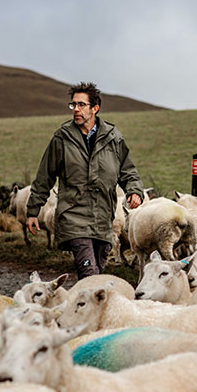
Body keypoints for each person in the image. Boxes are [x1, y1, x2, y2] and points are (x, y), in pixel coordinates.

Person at [26, 82, 144, 280]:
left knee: (97, 274)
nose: (76, 110)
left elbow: (128, 170)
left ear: (94, 108)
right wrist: (32, 211)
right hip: (74, 216)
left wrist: (134, 190)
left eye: (81, 105)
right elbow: (44, 176)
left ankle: (82, 310)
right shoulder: (62, 138)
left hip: (103, 218)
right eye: (73, 105)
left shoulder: (113, 138)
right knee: (89, 274)